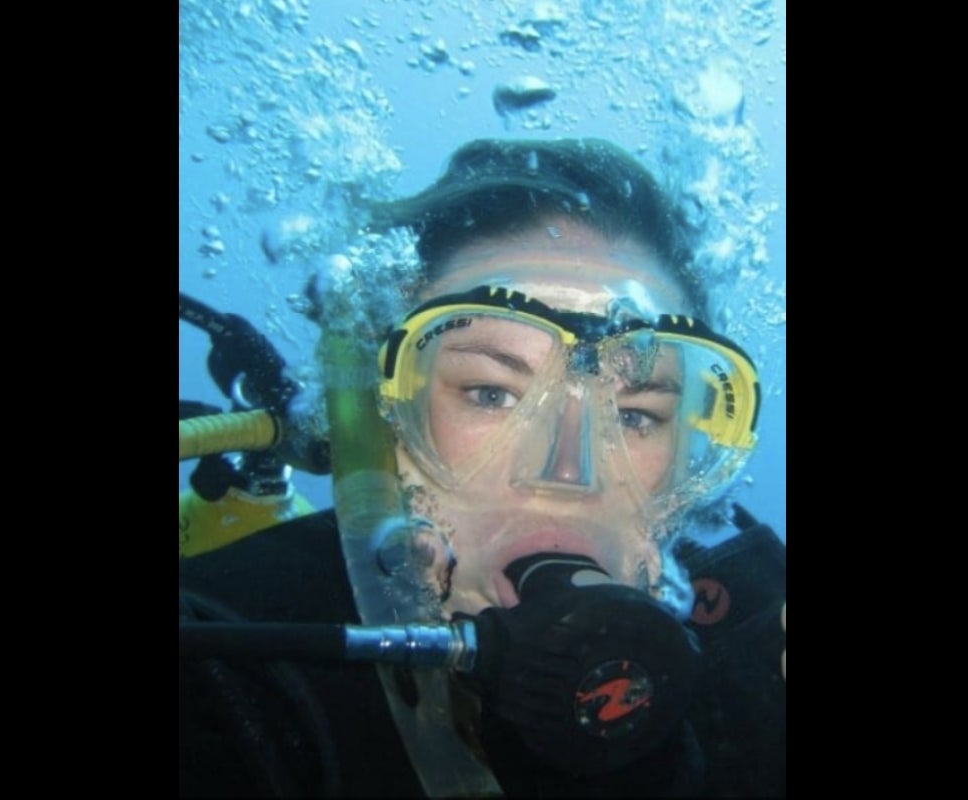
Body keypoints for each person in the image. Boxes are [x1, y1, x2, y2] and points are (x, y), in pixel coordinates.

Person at [179, 137, 786, 797]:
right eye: (491, 393)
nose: (566, 472)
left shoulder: (748, 661)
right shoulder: (233, 662)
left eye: (636, 414)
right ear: (390, 418)